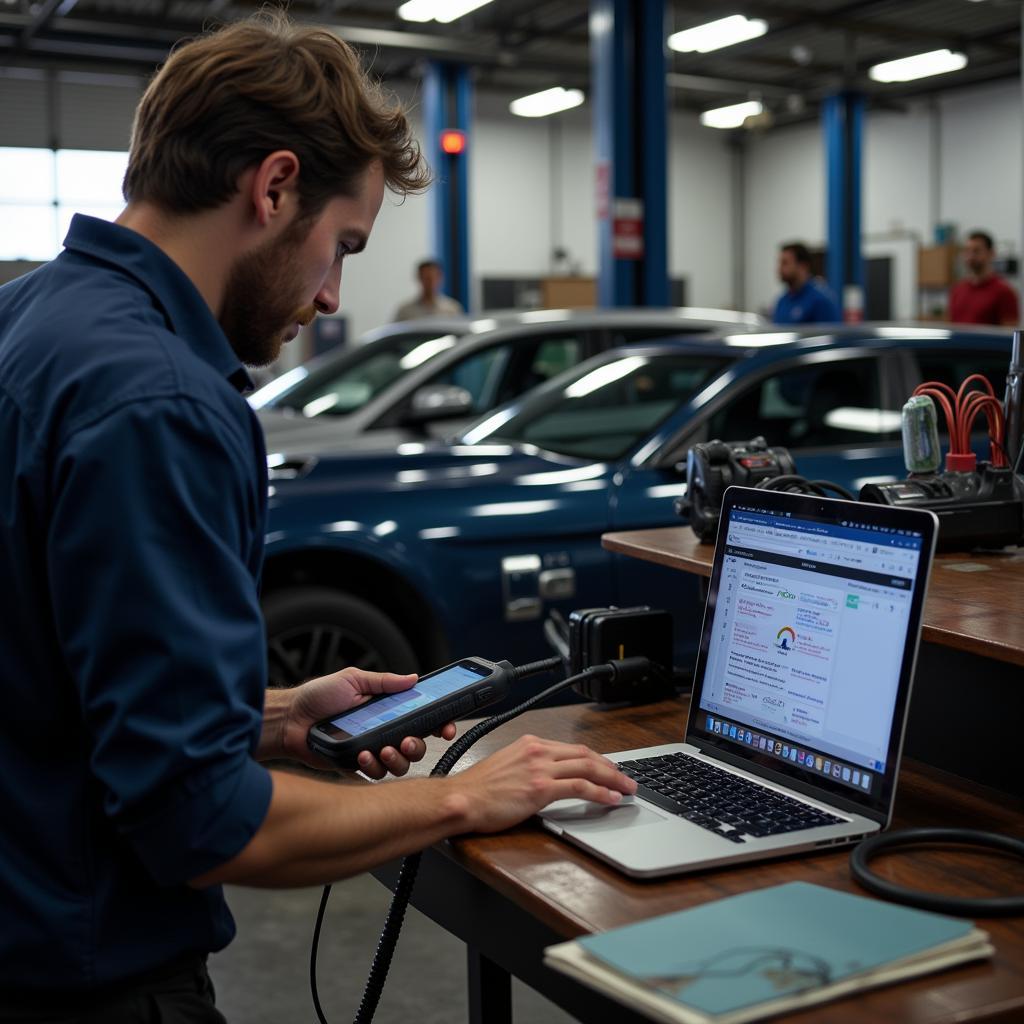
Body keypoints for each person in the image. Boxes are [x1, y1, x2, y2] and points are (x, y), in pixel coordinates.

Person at [0, 14, 634, 1021]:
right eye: (341, 246)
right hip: (85, 978)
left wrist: (279, 717)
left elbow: (49, 685)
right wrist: (464, 794)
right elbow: (202, 823)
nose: (331, 295)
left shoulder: (29, 319)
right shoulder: (160, 399)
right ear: (274, 185)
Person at [948, 230, 1019, 326]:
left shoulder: (1004, 292)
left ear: (991, 253)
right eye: (967, 251)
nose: (970, 256)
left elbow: (1010, 335)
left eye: (976, 251)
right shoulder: (957, 290)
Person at [773, 242, 841, 324]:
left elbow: (831, 334)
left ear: (803, 266)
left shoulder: (820, 300)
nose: (779, 268)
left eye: (785, 263)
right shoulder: (782, 301)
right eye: (780, 263)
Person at [392, 257, 464, 320]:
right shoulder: (405, 311)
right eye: (426, 278)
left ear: (440, 278)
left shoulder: (452, 309)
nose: (430, 282)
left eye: (433, 277)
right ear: (419, 278)